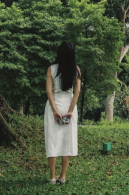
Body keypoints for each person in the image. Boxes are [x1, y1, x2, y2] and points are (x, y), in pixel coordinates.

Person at [45, 41, 81, 185]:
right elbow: (77, 92)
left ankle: (52, 177)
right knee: (68, 141)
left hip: (55, 102)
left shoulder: (51, 69)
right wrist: (70, 111)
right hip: (69, 103)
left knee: (53, 140)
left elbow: (49, 91)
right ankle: (62, 176)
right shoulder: (76, 70)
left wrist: (55, 111)